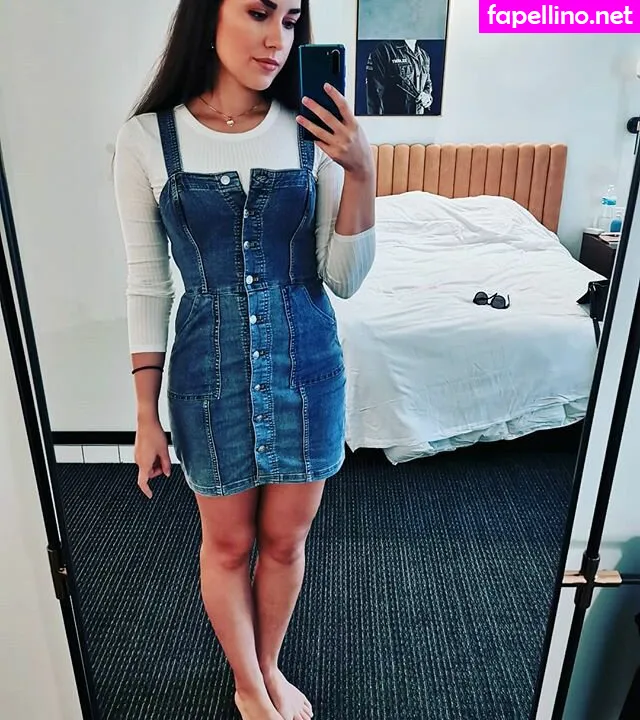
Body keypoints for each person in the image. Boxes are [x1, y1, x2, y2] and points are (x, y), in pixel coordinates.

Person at [112, 1, 376, 719]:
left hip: (306, 371)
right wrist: (144, 414)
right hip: (209, 378)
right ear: (209, 14)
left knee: (286, 543)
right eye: (259, 12)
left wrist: (361, 171)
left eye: (290, 19)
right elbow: (147, 282)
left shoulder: (315, 132)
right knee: (227, 546)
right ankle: (248, 686)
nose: (276, 38)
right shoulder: (146, 139)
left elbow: (344, 278)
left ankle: (268, 665)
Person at [365, 39, 433, 116]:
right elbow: (374, 94)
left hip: (418, 119)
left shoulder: (424, 55)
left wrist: (427, 97)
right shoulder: (384, 50)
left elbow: (428, 84)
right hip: (392, 120)